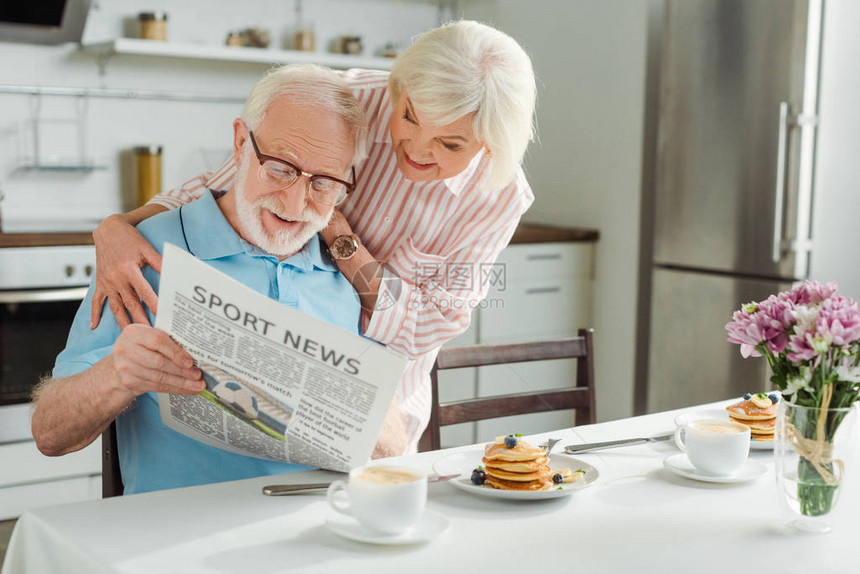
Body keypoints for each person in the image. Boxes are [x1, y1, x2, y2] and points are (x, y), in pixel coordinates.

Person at [89, 20, 537, 451]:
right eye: (410, 117)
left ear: (489, 145)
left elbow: (425, 326)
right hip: (262, 365)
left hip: (377, 410)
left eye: (451, 145)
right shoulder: (349, 100)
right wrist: (121, 226)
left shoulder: (499, 198)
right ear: (400, 89)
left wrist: (340, 235)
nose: (417, 149)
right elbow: (232, 179)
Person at [31, 64, 407, 494]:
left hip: (322, 531)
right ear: (240, 142)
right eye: (281, 168)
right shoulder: (142, 253)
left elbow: (394, 441)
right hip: (183, 539)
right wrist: (118, 374)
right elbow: (50, 433)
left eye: (323, 183)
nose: (295, 201)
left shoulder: (345, 272)